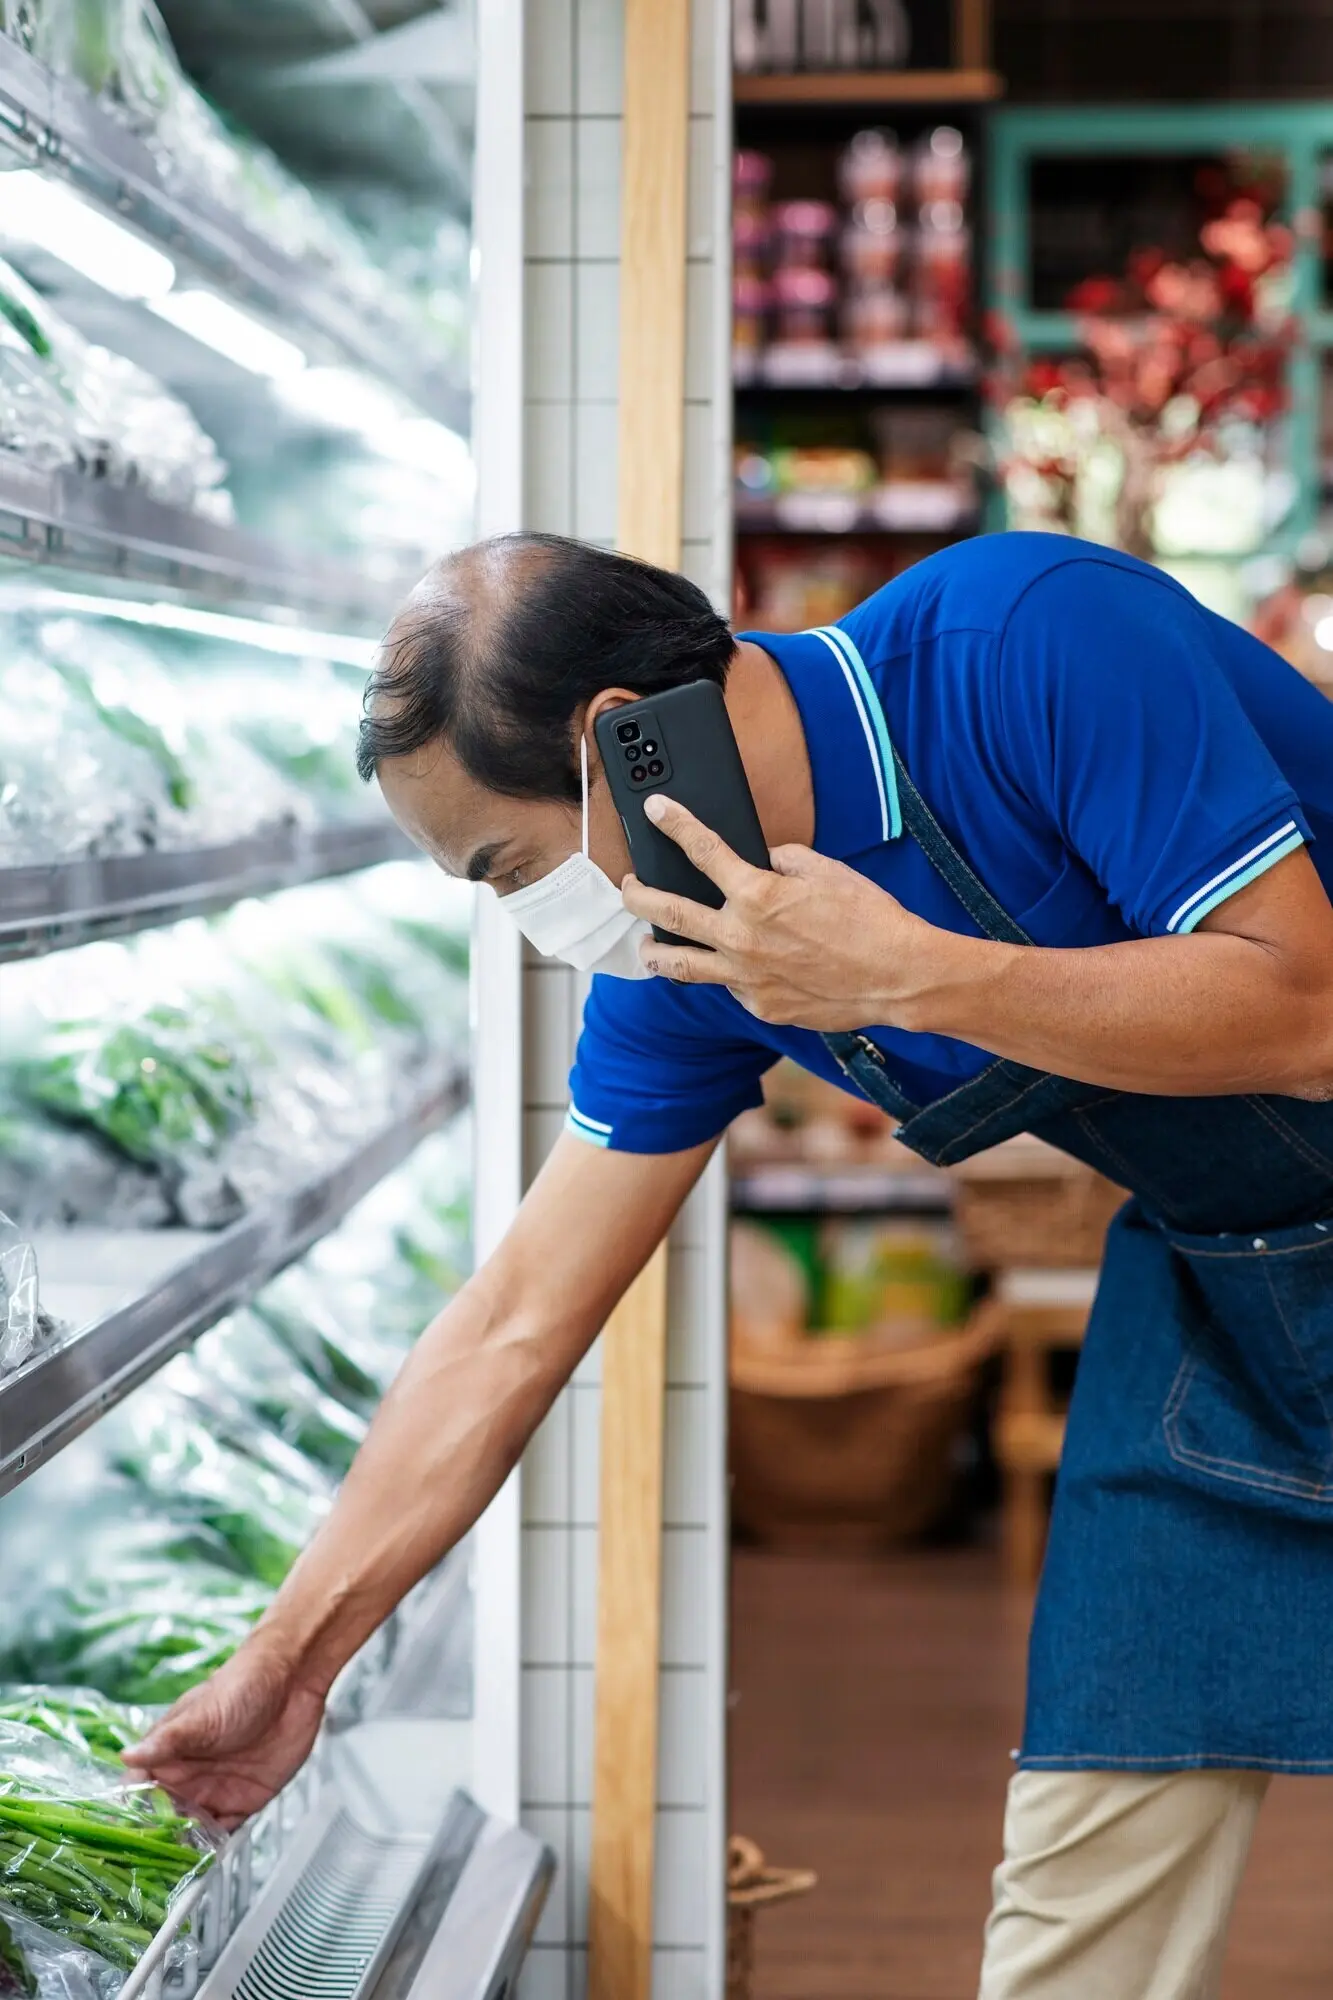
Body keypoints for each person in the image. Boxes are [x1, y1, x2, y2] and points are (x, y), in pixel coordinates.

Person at [128, 529, 1333, 1999]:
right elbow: (514, 1321)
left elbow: (1303, 1009)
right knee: (1085, 1882)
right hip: (1223, 1278)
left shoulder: (1022, 641)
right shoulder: (693, 953)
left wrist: (903, 972)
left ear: (617, 743)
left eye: (504, 865)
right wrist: (293, 1662)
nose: (522, 920)